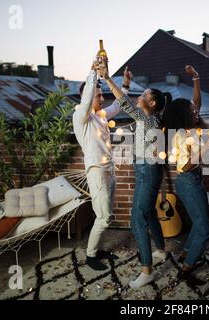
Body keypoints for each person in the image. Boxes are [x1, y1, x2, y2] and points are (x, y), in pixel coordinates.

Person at [96, 60, 172, 289]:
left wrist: (109, 79)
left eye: (144, 95)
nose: (140, 97)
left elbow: (124, 103)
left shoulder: (148, 118)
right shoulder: (151, 119)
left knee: (136, 219)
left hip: (147, 170)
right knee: (148, 213)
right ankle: (160, 251)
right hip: (146, 170)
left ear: (152, 102)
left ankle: (147, 270)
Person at [72, 60, 132, 271]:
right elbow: (88, 97)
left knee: (106, 214)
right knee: (104, 217)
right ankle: (90, 256)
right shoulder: (81, 117)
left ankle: (97, 250)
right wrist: (93, 73)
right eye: (99, 95)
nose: (102, 98)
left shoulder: (101, 116)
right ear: (88, 98)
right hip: (96, 172)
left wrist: (125, 85)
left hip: (109, 170)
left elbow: (118, 104)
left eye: (101, 94)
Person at [162, 93, 209, 287]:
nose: (195, 111)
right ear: (183, 114)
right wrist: (207, 146)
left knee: (199, 222)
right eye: (191, 109)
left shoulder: (188, 131)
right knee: (206, 228)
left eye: (194, 108)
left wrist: (196, 79)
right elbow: (184, 167)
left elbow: (197, 105)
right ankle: (186, 269)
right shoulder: (182, 136)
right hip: (188, 180)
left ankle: (185, 254)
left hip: (192, 180)